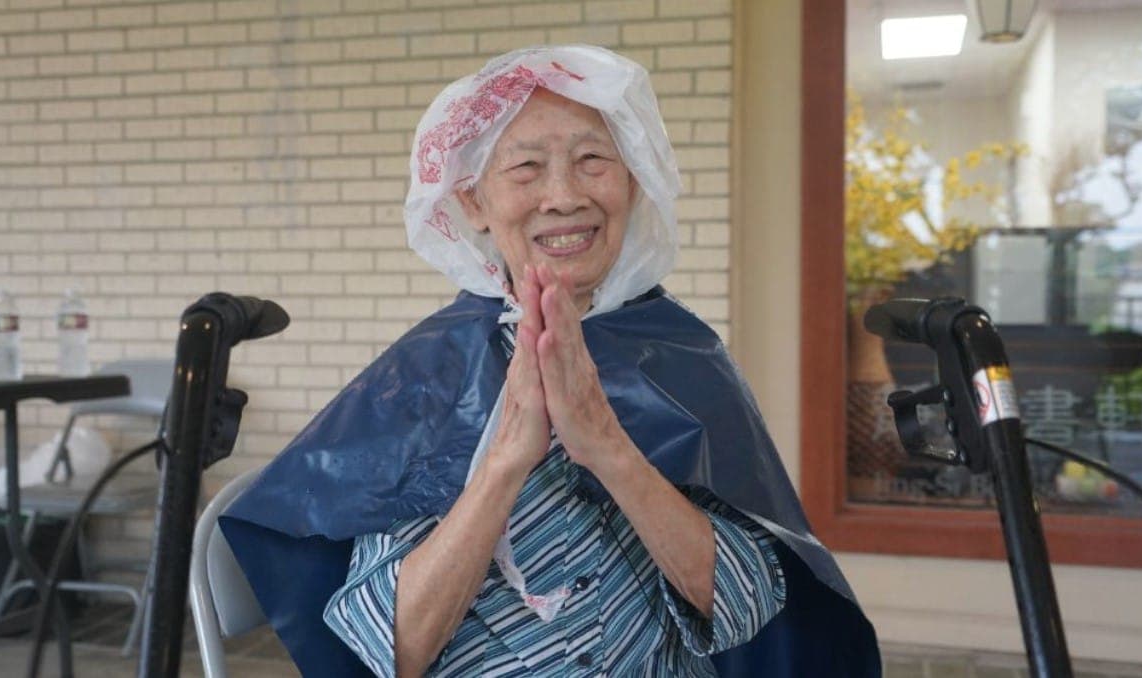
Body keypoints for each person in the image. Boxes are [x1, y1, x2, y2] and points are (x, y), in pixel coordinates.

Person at [222, 45, 879, 677]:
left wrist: (607, 447)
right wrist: (506, 458)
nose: (563, 196)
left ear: (633, 183)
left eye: (594, 160)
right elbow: (392, 650)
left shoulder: (679, 353)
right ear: (475, 201)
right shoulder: (430, 373)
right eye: (526, 168)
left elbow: (753, 604)